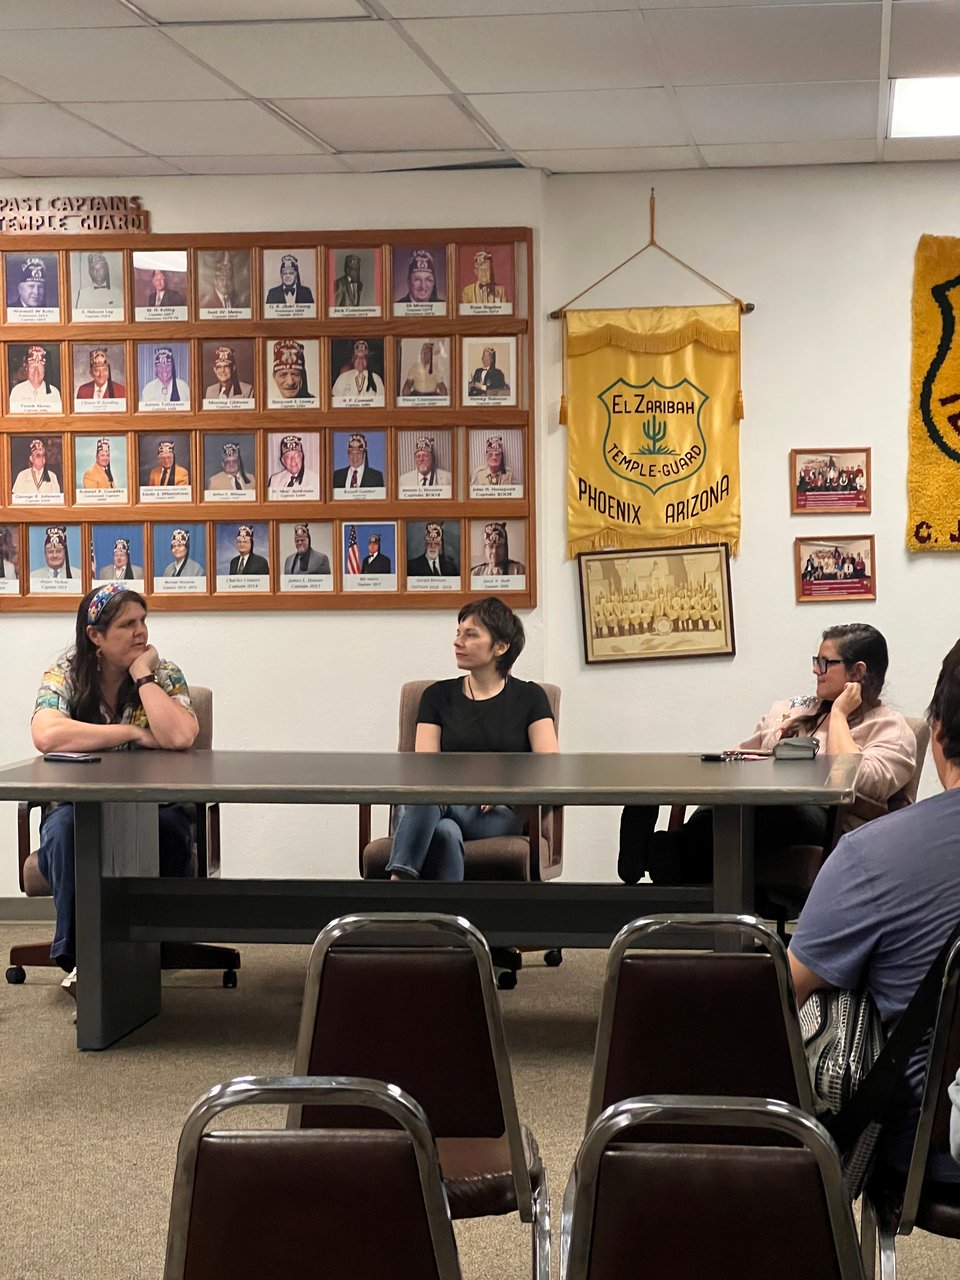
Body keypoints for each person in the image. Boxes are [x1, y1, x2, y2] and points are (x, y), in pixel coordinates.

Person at [790, 639, 960, 1184]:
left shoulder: (873, 854)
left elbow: (781, 994)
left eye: (827, 662)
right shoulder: (800, 713)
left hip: (936, 1147)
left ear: (937, 734)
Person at [617, 623, 918, 885]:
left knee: (776, 807)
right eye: (816, 661)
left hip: (830, 825)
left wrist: (839, 715)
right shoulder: (797, 708)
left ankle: (662, 853)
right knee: (725, 805)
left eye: (825, 663)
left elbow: (860, 780)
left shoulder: (891, 729)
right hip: (766, 808)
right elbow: (744, 755)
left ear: (858, 672)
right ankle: (662, 852)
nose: (815, 670)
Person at [31, 583, 199, 984]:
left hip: (156, 806)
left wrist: (143, 677)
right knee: (67, 832)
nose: (141, 632)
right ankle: (81, 960)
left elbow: (180, 736)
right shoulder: (65, 675)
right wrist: (133, 733)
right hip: (79, 807)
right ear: (95, 636)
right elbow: (46, 734)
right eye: (127, 624)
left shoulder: (164, 674)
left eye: (143, 621)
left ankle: (150, 943)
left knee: (169, 831)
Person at [385, 598, 558, 881]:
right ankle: (452, 920)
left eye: (471, 635)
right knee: (445, 830)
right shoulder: (435, 697)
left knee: (428, 801)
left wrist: (503, 790)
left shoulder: (530, 698)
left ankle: (397, 888)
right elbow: (424, 770)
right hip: (433, 804)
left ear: (501, 647)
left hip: (494, 814)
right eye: (458, 633)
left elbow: (551, 768)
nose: (458, 642)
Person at [9, 345, 62, 412]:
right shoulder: (17, 391)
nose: (36, 371)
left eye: (40, 367)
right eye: (32, 367)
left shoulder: (54, 393)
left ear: (45, 369)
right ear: (26, 369)